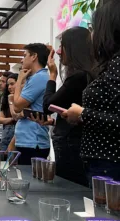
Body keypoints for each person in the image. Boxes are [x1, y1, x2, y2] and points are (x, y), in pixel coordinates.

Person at [62, 0, 120, 184]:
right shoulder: (111, 64)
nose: (91, 35)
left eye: (92, 28)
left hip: (109, 164)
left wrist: (83, 113)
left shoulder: (117, 65)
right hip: (101, 162)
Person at [38, 27, 95, 186]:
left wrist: (52, 76)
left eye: (62, 46)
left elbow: (48, 105)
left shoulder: (78, 77)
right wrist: (57, 122)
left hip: (71, 147)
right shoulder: (88, 75)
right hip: (76, 144)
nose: (57, 51)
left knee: (70, 191)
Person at [13, 43, 51, 165]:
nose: (22, 59)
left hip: (33, 142)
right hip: (28, 140)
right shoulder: (35, 78)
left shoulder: (39, 78)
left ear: (34, 56)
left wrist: (19, 80)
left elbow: (17, 106)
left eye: (25, 55)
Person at [0, 73, 19, 151]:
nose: (9, 87)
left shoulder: (22, 98)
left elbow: (16, 115)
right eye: (8, 85)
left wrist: (11, 101)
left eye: (12, 84)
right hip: (6, 133)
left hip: (17, 136)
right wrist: (12, 119)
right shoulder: (5, 98)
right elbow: (0, 119)